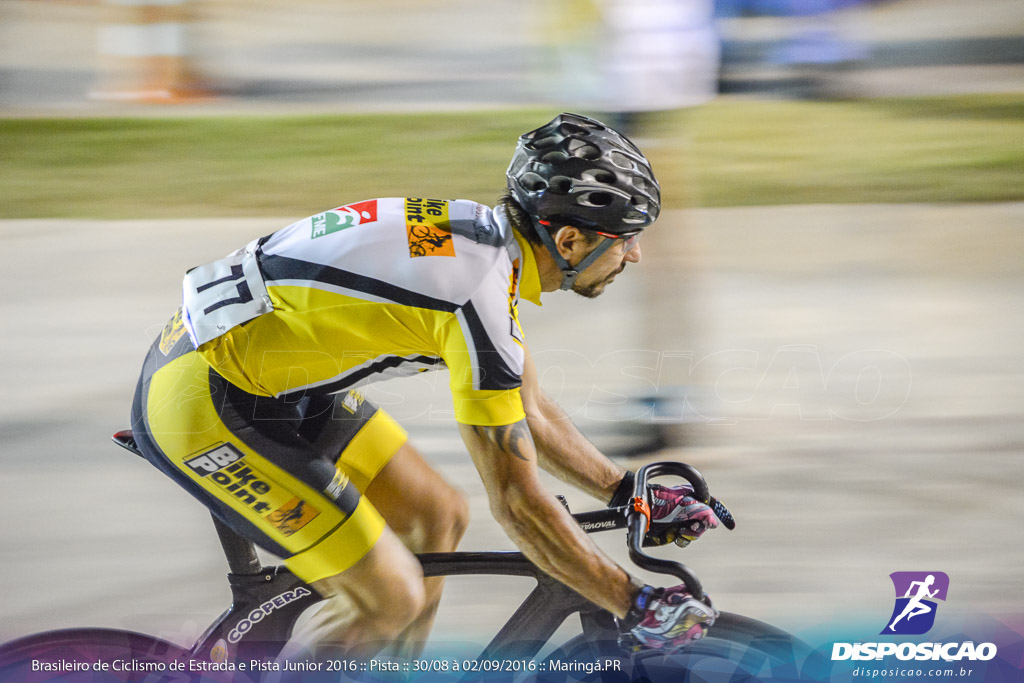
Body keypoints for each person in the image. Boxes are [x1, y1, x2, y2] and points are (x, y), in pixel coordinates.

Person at [130, 113, 722, 658]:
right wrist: (633, 601)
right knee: (392, 597)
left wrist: (625, 492)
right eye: (626, 237)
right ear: (569, 241)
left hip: (273, 377)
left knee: (436, 516)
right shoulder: (474, 297)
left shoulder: (481, 243)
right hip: (204, 404)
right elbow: (519, 506)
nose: (637, 255)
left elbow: (528, 407)